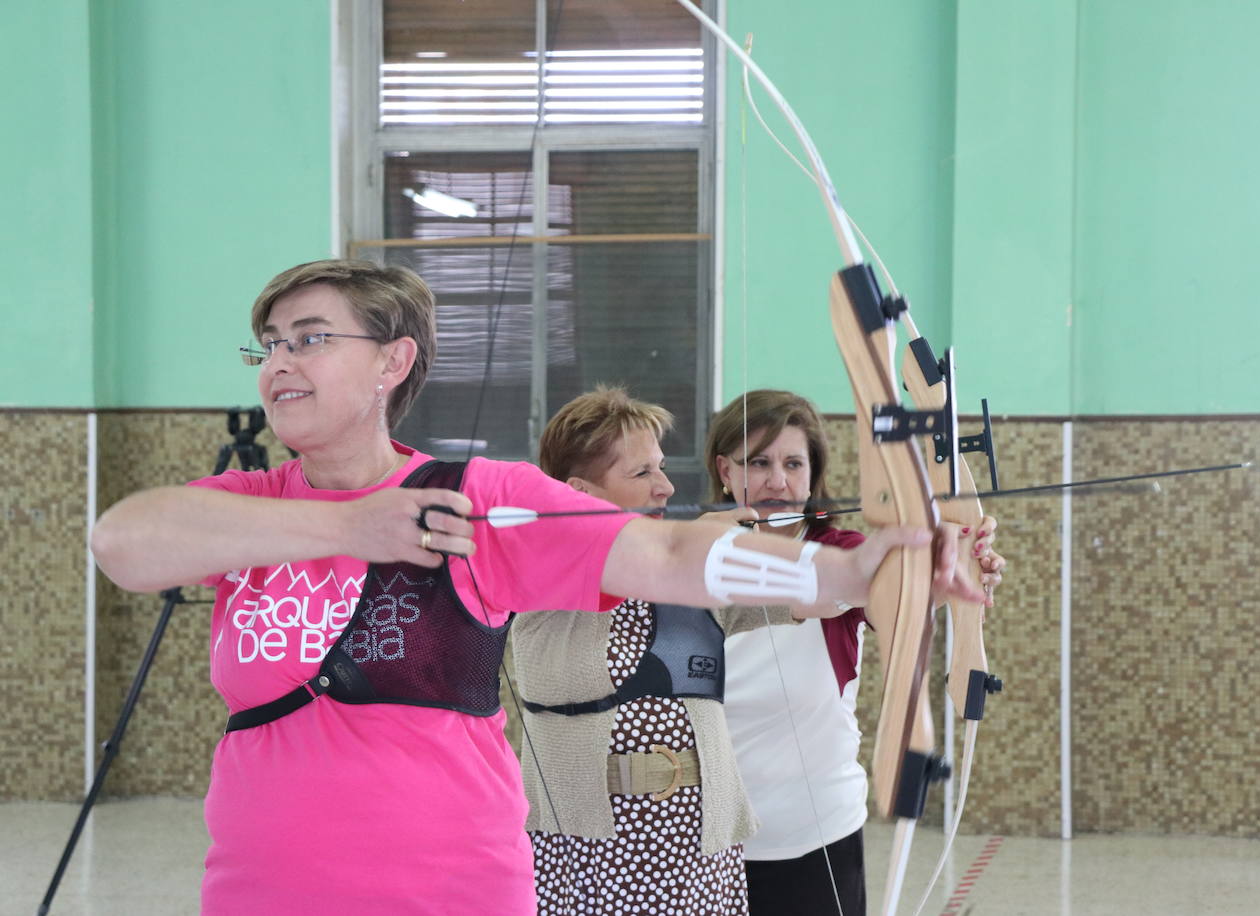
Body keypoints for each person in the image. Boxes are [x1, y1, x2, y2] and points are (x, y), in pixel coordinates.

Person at [89, 261, 978, 915]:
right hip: (261, 892)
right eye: (271, 344)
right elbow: (122, 542)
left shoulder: (481, 500)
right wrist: (350, 527)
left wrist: (847, 570)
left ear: (393, 363)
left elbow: (667, 558)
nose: (280, 360)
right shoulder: (244, 508)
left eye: (312, 338)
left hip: (452, 891)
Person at [706, 390, 1005, 916]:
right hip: (709, 843)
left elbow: (896, 589)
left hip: (818, 833)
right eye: (760, 462)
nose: (778, 480)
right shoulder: (686, 559)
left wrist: (950, 561)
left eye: (794, 463)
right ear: (725, 470)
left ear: (813, 474)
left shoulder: (841, 553)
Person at [511, 386, 792, 916]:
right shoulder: (541, 575)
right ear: (579, 492)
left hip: (697, 852)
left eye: (660, 469)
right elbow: (606, 563)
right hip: (583, 852)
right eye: (642, 474)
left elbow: (820, 594)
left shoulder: (693, 572)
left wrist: (922, 559)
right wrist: (695, 539)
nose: (664, 486)